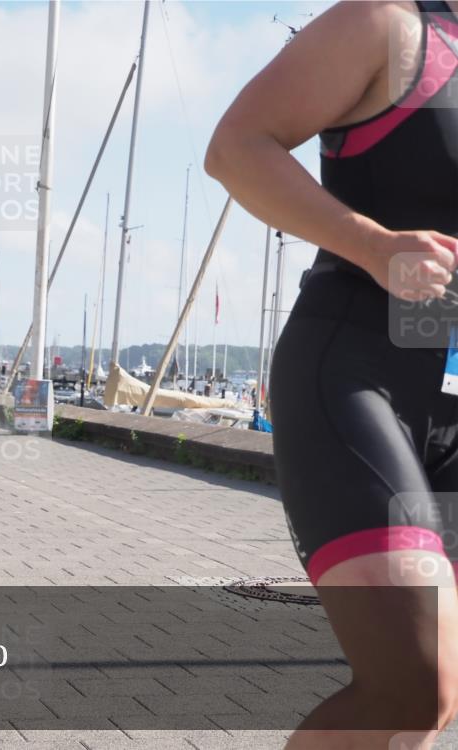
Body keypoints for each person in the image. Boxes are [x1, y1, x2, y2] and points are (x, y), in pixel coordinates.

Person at [206, 1, 457, 746]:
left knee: (430, 699)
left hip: (441, 396)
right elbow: (236, 147)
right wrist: (375, 246)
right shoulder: (387, 23)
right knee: (412, 682)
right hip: (352, 377)